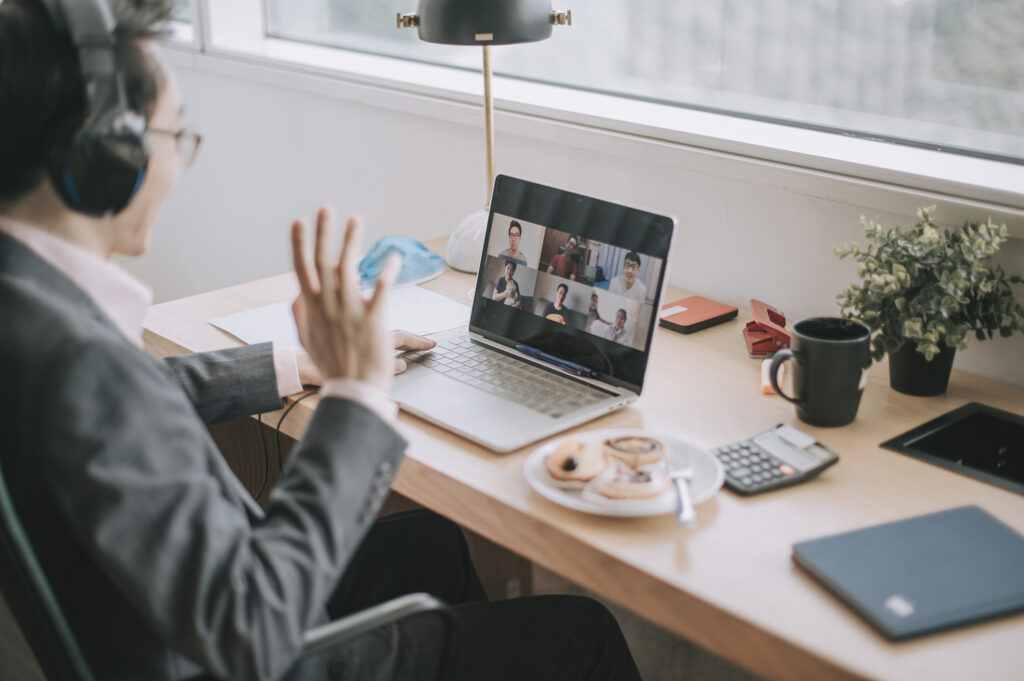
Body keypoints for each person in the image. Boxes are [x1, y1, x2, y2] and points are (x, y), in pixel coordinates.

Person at [0, 3, 644, 681]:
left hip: (168, 624)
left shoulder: (32, 310)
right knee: (580, 632)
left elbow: (123, 400)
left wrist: (296, 363)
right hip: (245, 640)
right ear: (105, 154)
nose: (179, 161)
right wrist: (355, 394)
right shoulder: (79, 361)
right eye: (174, 134)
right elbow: (252, 625)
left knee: (432, 542)